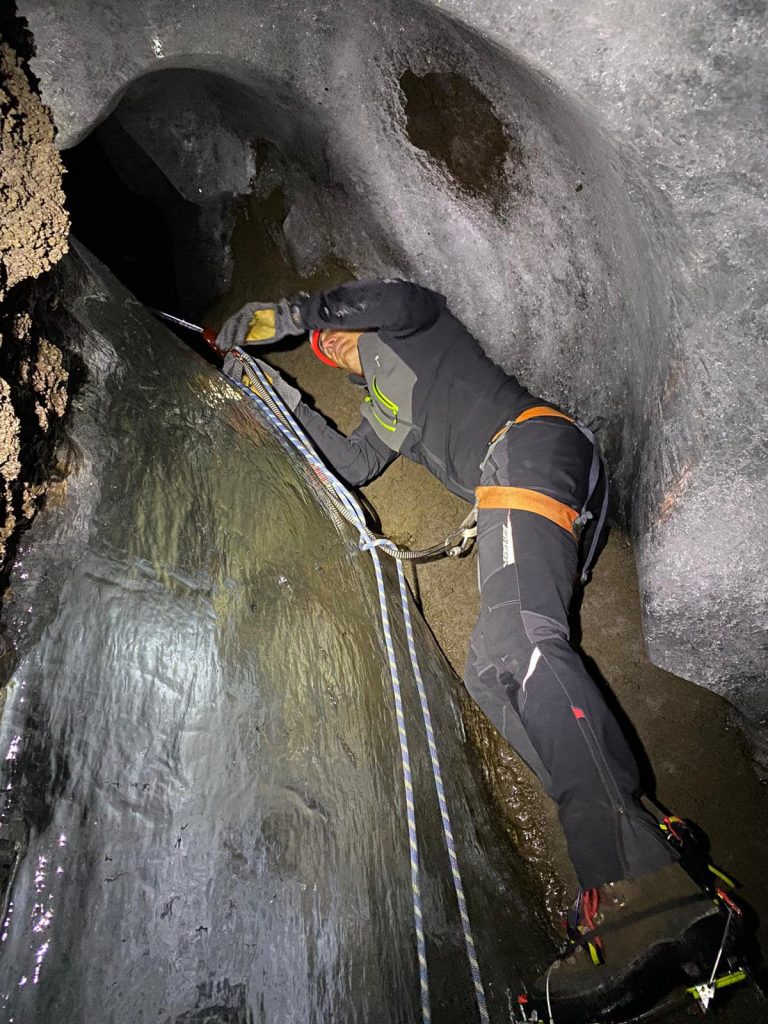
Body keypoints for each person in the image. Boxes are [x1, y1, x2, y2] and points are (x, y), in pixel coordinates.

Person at [216, 279, 733, 1020]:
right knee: (494, 668)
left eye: (338, 334)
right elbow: (354, 462)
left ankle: (642, 880)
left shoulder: (415, 328)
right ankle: (628, 855)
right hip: (514, 481)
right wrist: (276, 398)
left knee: (520, 641)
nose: (331, 348)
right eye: (325, 349)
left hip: (530, 445)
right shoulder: (386, 402)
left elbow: (400, 298)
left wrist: (297, 315)